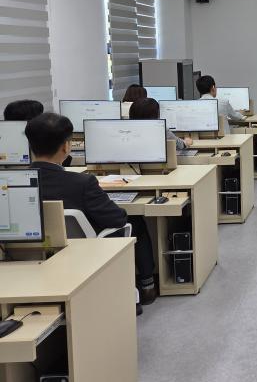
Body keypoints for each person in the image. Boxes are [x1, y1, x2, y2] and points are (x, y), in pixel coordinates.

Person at [24, 113, 157, 308]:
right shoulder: (82, 183)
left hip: (33, 256)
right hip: (84, 254)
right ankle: (147, 285)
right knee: (135, 222)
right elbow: (117, 219)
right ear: (65, 146)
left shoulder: (13, 183)